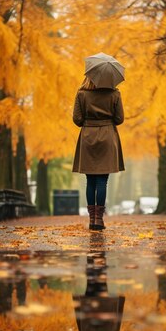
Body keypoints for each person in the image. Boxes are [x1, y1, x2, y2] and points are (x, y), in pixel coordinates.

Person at [72, 76, 125, 230]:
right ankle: (99, 220)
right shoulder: (115, 94)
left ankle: (91, 219)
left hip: (88, 136)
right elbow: (120, 118)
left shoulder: (81, 94)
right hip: (108, 136)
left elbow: (77, 119)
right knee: (103, 181)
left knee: (91, 181)